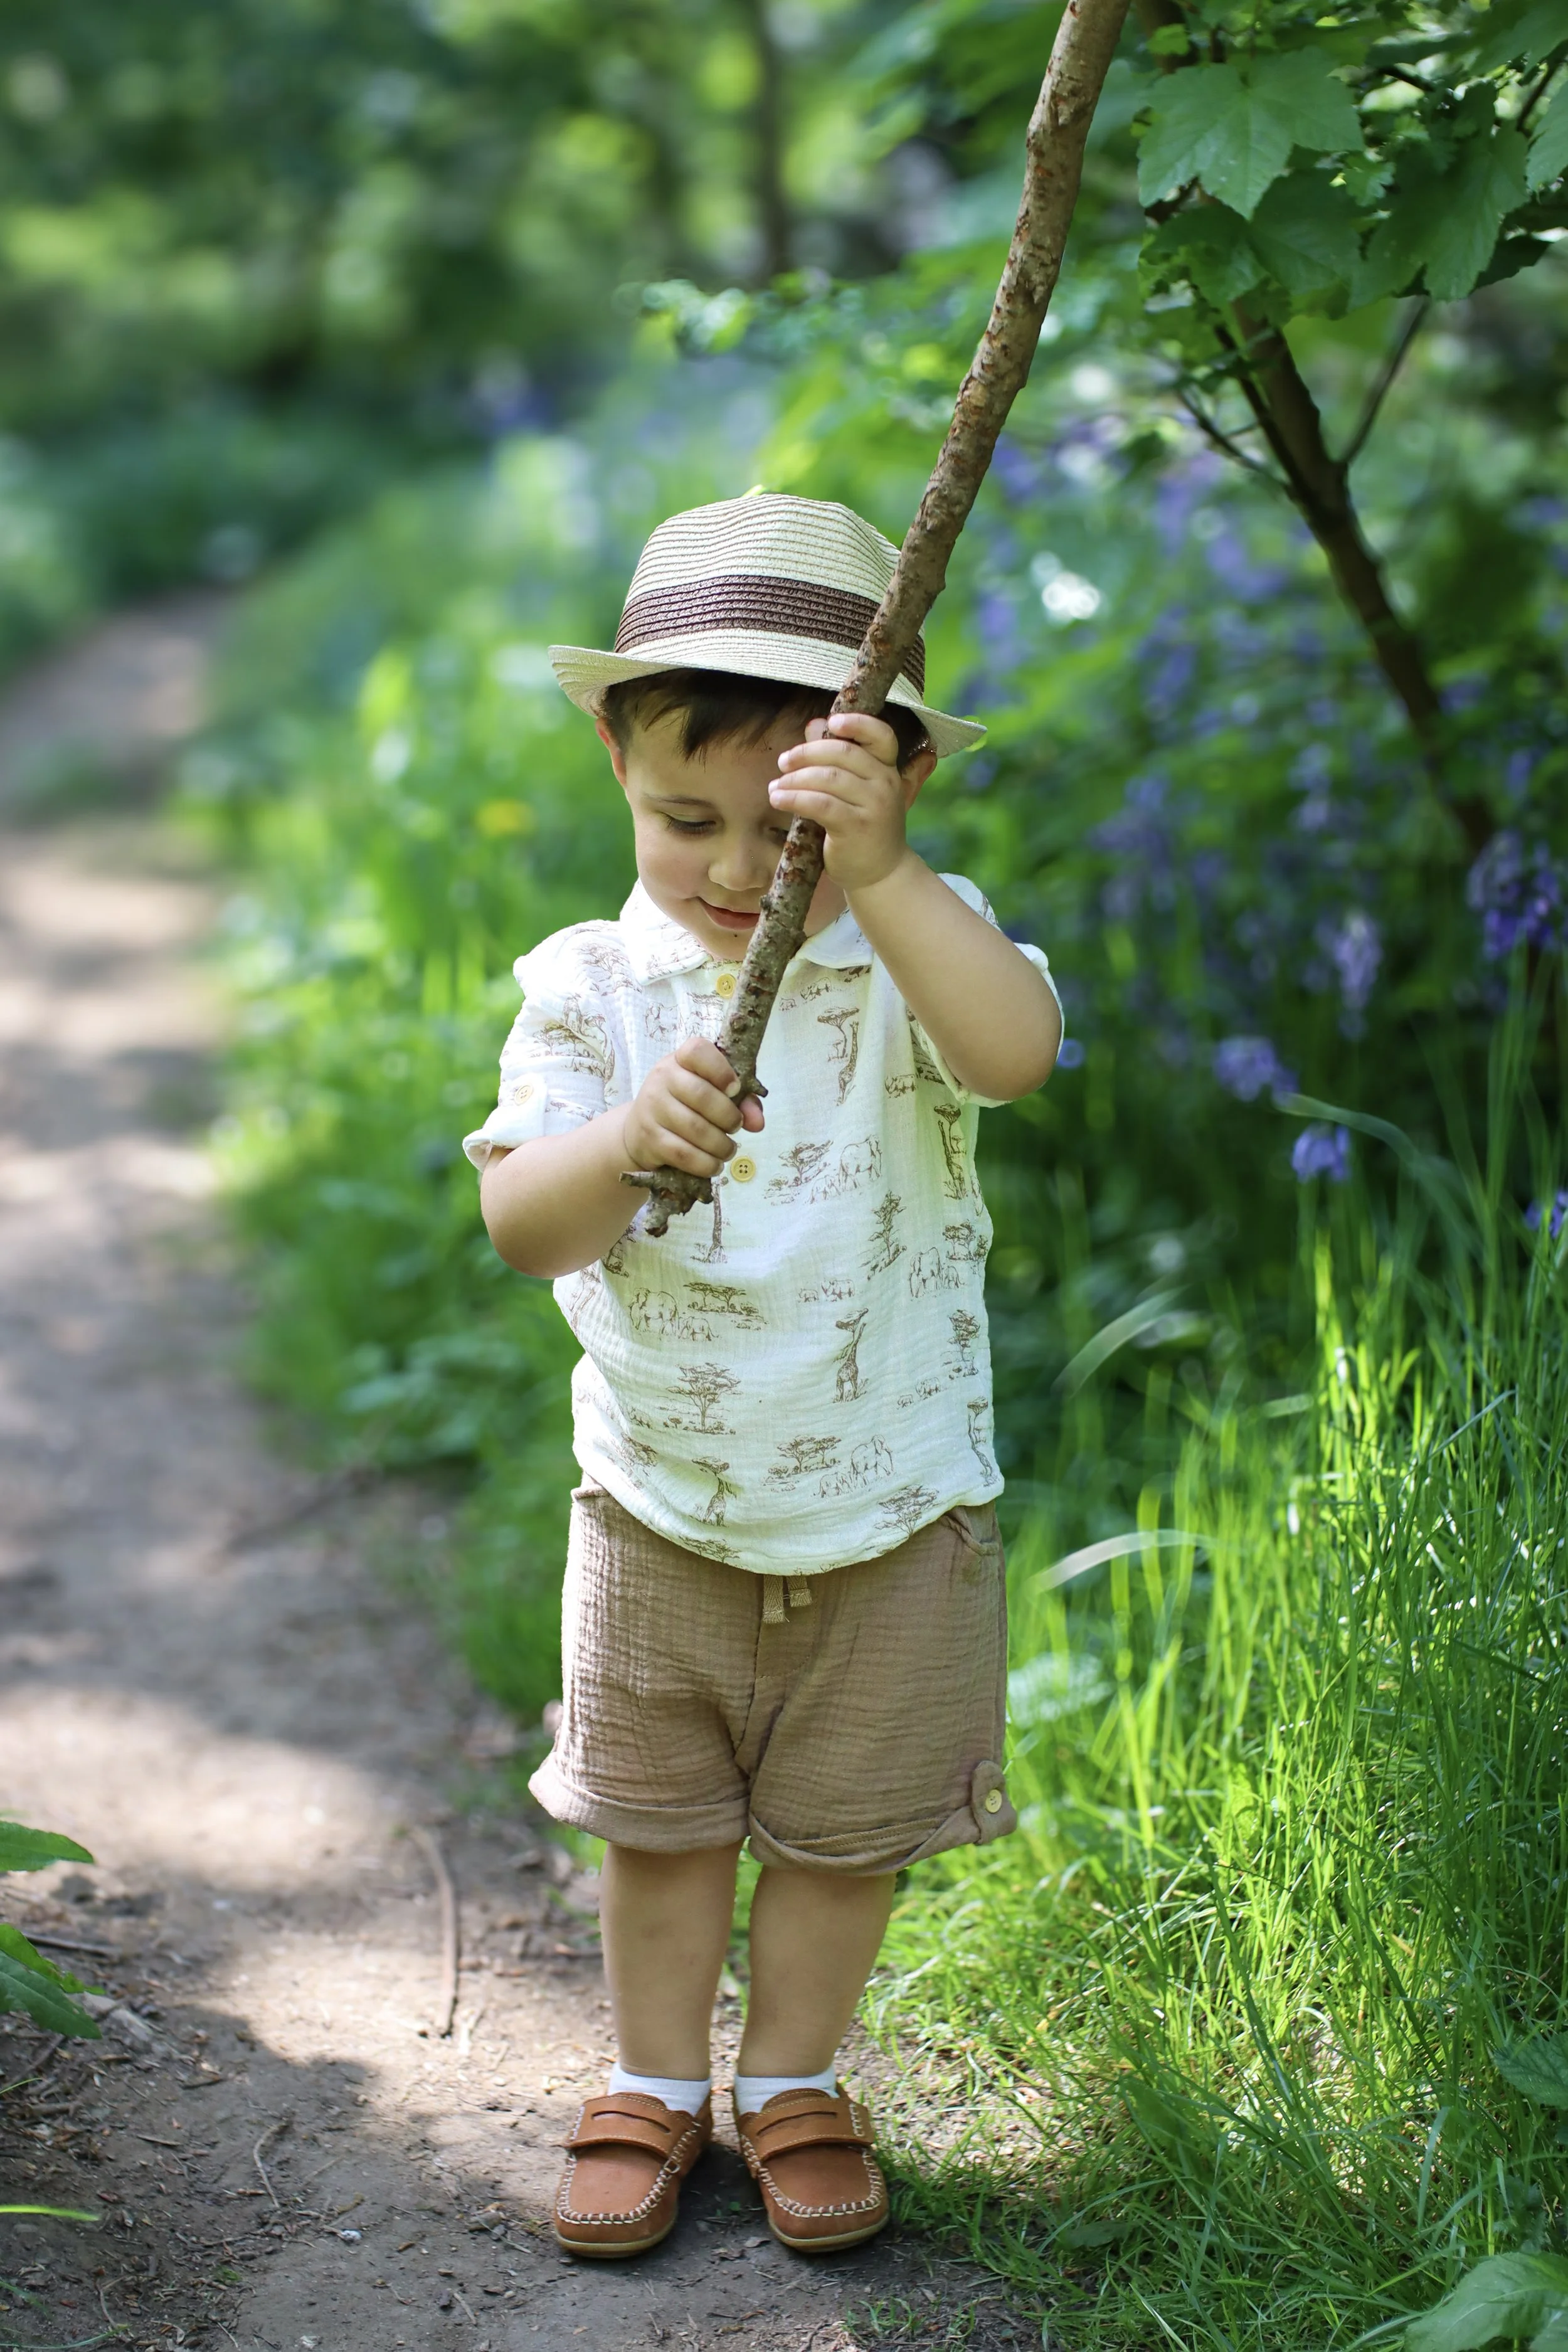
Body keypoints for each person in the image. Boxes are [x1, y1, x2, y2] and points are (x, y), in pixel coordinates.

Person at [464, 492, 1062, 2260]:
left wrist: (877, 879)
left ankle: (793, 2074)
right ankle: (654, 2080)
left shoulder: (904, 963)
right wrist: (626, 1140)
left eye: (781, 823)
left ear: (884, 786)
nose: (734, 870)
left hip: (891, 1500)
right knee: (657, 1823)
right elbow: (523, 1223)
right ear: (616, 764)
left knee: (836, 1838)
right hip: (659, 1497)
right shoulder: (592, 988)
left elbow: (1018, 1056)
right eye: (683, 818)